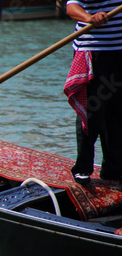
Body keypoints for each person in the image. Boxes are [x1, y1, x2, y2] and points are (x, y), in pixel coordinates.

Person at [64, 0, 122, 185]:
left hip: (119, 52)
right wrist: (89, 18)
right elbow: (71, 7)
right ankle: (82, 168)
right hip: (93, 51)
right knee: (91, 111)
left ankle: (113, 170)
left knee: (117, 114)